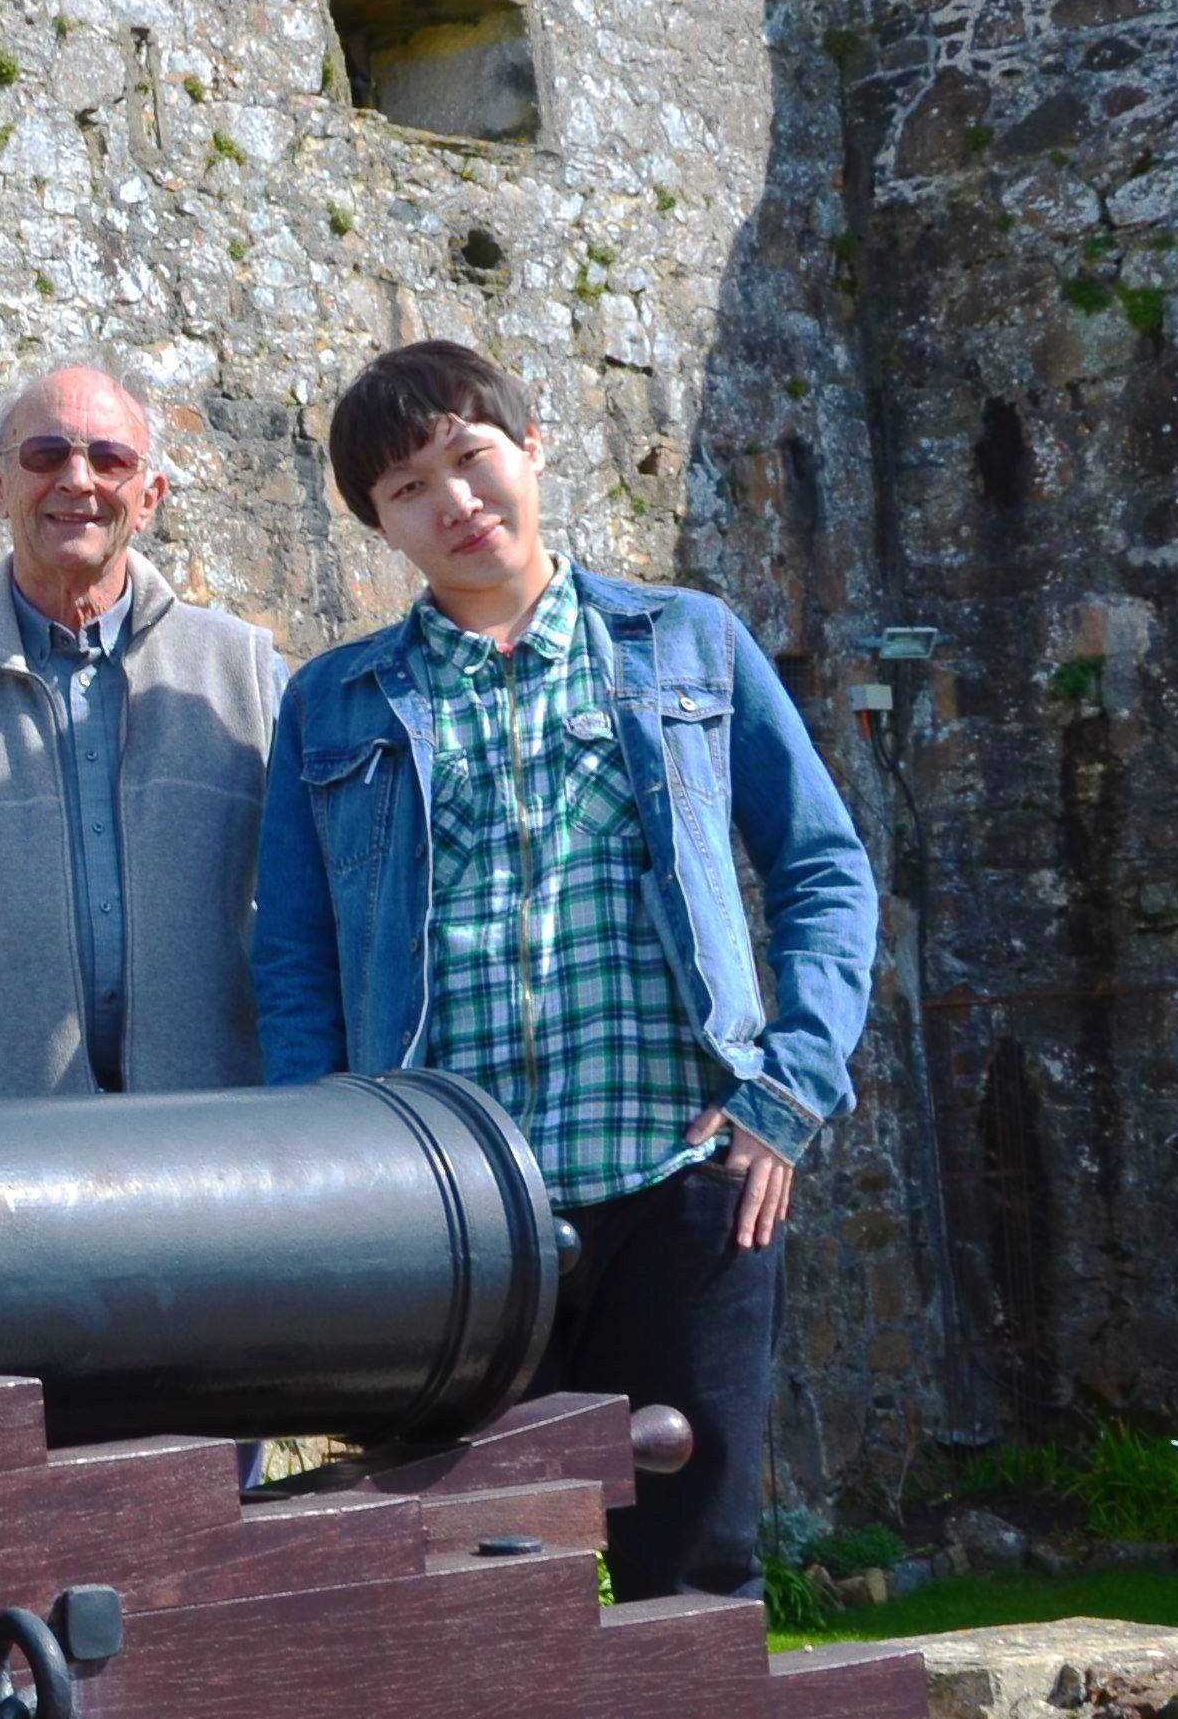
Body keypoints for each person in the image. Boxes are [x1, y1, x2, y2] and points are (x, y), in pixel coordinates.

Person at [251, 343, 879, 1601]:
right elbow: (293, 958)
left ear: (528, 449)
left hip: (679, 1184)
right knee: (475, 1586)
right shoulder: (333, 704)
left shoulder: (687, 646)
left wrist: (785, 1095)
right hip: (456, 1220)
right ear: (379, 525)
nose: (454, 502)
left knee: (691, 1568)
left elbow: (820, 866)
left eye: (470, 459)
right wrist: (339, 1175)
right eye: (407, 490)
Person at [0, 364, 286, 1107]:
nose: (77, 480)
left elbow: (299, 918)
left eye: (109, 459)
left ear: (149, 498)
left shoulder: (243, 674)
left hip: (206, 1142)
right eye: (45, 455)